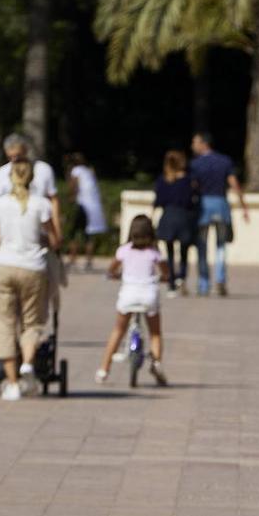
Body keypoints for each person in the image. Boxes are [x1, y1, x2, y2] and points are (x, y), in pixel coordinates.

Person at [0, 160, 55, 402]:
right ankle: (28, 363)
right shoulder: (41, 204)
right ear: (32, 178)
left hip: (4, 266)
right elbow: (55, 240)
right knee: (32, 322)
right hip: (33, 267)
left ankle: (11, 383)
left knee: (4, 322)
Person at [96, 214, 169, 386]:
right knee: (155, 333)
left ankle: (104, 369)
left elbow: (111, 269)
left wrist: (114, 275)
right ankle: (156, 362)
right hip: (148, 295)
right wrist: (164, 277)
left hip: (128, 295)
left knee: (118, 331)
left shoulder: (124, 251)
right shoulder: (154, 253)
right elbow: (166, 273)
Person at [0, 134, 64, 309]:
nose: (14, 160)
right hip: (10, 235)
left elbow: (53, 200)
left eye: (17, 156)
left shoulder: (43, 170)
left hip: (39, 234)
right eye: (10, 157)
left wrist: (56, 231)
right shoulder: (2, 173)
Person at [189, 132, 248, 297]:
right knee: (221, 245)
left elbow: (192, 186)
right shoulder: (225, 161)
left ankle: (203, 283)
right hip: (221, 204)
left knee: (202, 246)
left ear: (204, 144)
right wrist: (244, 207)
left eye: (195, 142)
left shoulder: (196, 164)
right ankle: (220, 278)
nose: (193, 146)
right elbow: (234, 184)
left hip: (203, 206)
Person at [154, 150, 196, 296]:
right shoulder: (188, 181)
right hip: (183, 216)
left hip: (168, 216)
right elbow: (191, 201)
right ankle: (182, 277)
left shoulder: (162, 180)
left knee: (170, 252)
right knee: (184, 251)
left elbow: (158, 201)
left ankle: (171, 283)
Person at [63, 152, 107, 271]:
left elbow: (73, 187)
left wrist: (69, 198)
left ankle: (72, 260)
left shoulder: (76, 171)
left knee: (74, 232)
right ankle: (88, 261)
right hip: (93, 207)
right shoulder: (89, 171)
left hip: (82, 205)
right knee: (88, 235)